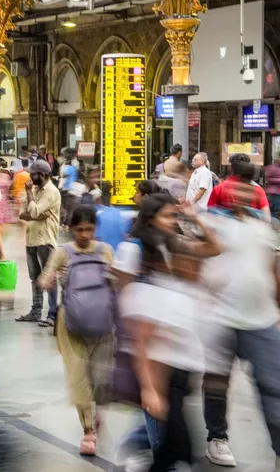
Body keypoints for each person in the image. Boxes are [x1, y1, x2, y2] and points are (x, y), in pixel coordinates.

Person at [114, 194, 222, 472]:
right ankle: (151, 452)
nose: (174, 221)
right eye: (168, 216)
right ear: (151, 218)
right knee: (162, 425)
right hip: (148, 346)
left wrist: (193, 216)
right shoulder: (133, 249)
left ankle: (142, 444)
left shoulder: (174, 244)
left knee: (165, 420)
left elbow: (214, 248)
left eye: (175, 216)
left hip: (176, 346)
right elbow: (124, 295)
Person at [197, 174, 280, 467]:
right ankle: (216, 438)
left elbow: (273, 270)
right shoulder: (215, 226)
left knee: (274, 387)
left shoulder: (263, 229)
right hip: (221, 319)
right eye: (237, 190)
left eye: (248, 191)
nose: (242, 196)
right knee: (218, 383)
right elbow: (199, 261)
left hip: (262, 321)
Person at [38, 206, 115, 456]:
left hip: (103, 323)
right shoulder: (63, 253)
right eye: (79, 229)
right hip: (69, 323)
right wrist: (47, 281)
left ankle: (97, 413)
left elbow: (116, 283)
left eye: (89, 229)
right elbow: (44, 278)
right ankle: (88, 430)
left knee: (100, 379)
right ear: (71, 229)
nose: (84, 234)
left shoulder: (105, 251)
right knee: (78, 377)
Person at [16, 160, 62, 327]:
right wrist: (34, 214)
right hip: (31, 238)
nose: (30, 177)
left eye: (33, 174)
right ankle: (36, 311)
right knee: (34, 278)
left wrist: (29, 196)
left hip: (45, 240)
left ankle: (52, 314)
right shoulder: (35, 189)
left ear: (42, 175)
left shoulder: (51, 192)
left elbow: (33, 210)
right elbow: (23, 213)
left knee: (48, 278)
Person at [208, 153, 271, 220]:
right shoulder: (258, 190)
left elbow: (210, 215)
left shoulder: (219, 188)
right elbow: (266, 218)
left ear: (231, 168)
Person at [264, 155, 280, 220]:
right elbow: (268, 179)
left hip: (276, 193)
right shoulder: (271, 168)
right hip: (275, 194)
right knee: (275, 212)